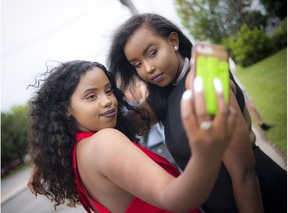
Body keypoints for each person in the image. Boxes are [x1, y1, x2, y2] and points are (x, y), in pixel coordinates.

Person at [107, 13, 287, 213]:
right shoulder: (163, 93)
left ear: (173, 41)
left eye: (152, 53)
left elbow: (245, 172)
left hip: (263, 199)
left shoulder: (205, 77)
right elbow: (129, 123)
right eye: (137, 64)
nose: (148, 68)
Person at [27, 60, 236, 212]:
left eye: (108, 91)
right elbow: (176, 199)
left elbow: (144, 115)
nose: (108, 101)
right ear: (66, 109)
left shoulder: (76, 153)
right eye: (91, 96)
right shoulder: (105, 141)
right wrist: (205, 154)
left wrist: (43, 164)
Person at [229, 58, 274, 131]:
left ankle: (262, 124)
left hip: (239, 88)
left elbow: (233, 69)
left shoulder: (227, 58)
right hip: (230, 91)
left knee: (252, 107)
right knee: (239, 114)